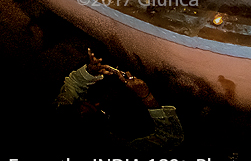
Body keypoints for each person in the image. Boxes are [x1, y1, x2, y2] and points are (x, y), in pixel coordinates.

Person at [55, 48, 183, 153]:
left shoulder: (61, 111)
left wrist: (89, 72)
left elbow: (73, 84)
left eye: (83, 104)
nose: (94, 103)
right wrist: (147, 97)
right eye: (93, 109)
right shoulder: (123, 149)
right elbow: (171, 137)